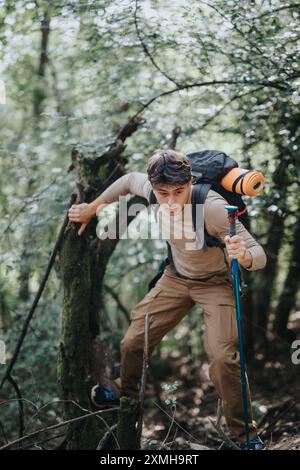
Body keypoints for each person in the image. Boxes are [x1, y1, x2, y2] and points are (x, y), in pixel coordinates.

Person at [68, 149, 267, 450]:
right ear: (153, 187)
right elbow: (126, 181)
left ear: (189, 183)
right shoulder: (149, 188)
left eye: (179, 191)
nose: (171, 201)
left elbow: (260, 255)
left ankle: (246, 436)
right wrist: (91, 208)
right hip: (175, 278)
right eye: (163, 194)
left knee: (222, 358)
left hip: (216, 284)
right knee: (133, 341)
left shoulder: (212, 208)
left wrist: (245, 255)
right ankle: (127, 395)